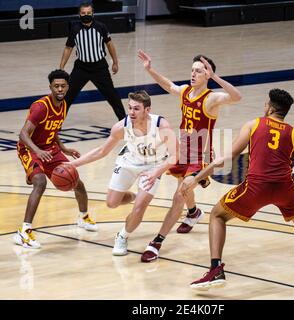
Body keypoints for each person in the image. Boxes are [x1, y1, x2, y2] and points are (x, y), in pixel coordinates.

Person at [181, 88, 294, 296]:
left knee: (217, 215)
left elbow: (226, 158)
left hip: (256, 188)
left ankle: (215, 268)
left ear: (269, 107)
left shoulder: (254, 124)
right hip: (284, 188)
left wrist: (197, 178)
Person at [137, 50, 242, 262]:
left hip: (198, 156)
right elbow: (169, 86)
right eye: (192, 70)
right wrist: (150, 70)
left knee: (179, 194)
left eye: (199, 71)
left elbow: (236, 97)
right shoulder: (186, 91)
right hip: (181, 150)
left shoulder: (211, 98)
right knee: (183, 189)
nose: (193, 74)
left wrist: (215, 77)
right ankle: (193, 213)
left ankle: (156, 242)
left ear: (207, 75)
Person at [70, 90, 178, 255]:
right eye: (130, 108)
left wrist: (158, 171)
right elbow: (101, 151)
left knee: (139, 208)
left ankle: (122, 236)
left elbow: (175, 155)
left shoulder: (161, 126)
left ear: (147, 110)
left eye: (136, 108)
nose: (131, 112)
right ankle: (135, 196)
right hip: (128, 162)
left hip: (152, 167)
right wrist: (74, 164)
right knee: (112, 203)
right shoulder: (121, 126)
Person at [14, 69, 98, 249]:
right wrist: (37, 150)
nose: (60, 89)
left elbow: (54, 130)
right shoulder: (40, 106)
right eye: (56, 86)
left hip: (49, 149)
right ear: (50, 87)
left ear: (68, 87)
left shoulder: (64, 104)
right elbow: (23, 134)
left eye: (63, 86)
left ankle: (83, 217)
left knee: (77, 181)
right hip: (29, 148)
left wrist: (64, 148)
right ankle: (24, 231)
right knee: (40, 182)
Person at [59, 1, 126, 121]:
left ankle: (124, 122)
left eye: (88, 13)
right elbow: (68, 48)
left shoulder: (101, 27)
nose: (86, 15)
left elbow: (109, 44)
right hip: (81, 68)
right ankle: (56, 124)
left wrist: (115, 62)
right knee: (68, 97)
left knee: (112, 96)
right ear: (79, 15)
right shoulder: (74, 29)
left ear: (93, 14)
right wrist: (61, 67)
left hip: (99, 68)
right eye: (83, 13)